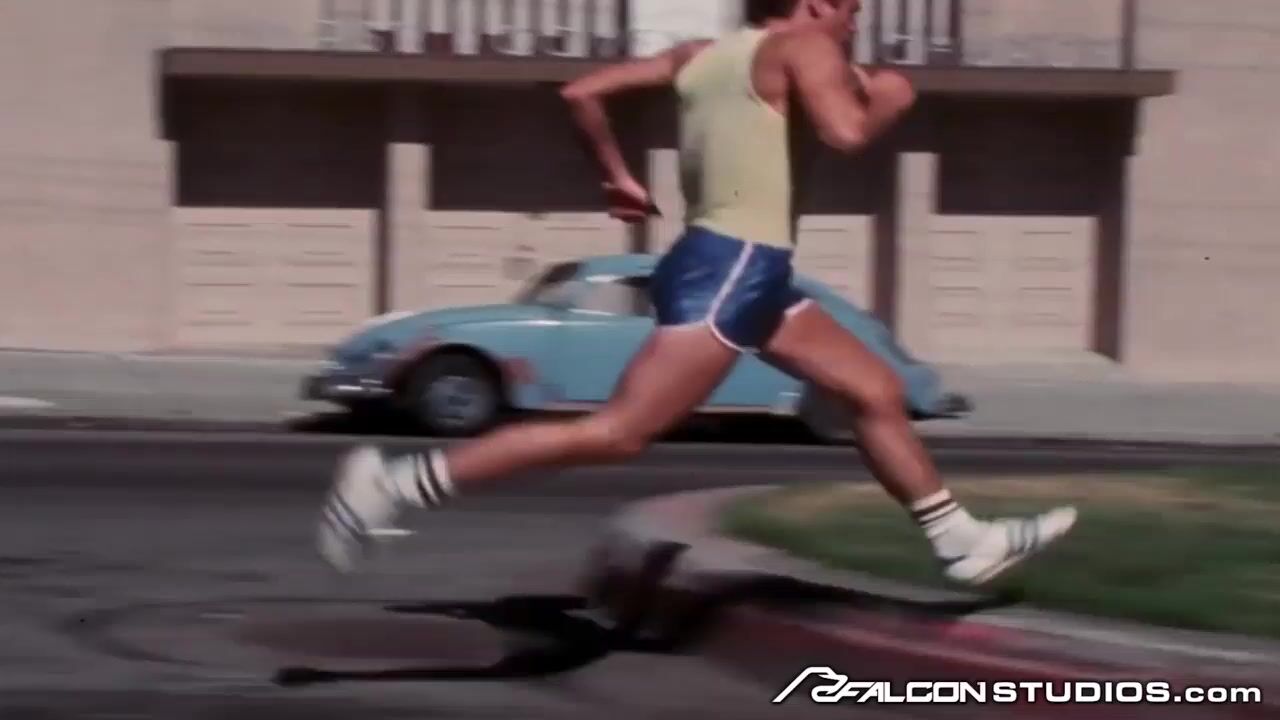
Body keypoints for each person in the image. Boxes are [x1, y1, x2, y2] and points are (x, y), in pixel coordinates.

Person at [316, 0, 1077, 586]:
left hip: (722, 262)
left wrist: (616, 177)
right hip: (738, 266)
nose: (856, 23)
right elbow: (847, 133)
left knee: (874, 389)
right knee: (618, 433)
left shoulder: (702, 56)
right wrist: (893, 99)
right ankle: (397, 484)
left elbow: (583, 93)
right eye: (851, 9)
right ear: (814, 3)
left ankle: (959, 540)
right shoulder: (805, 46)